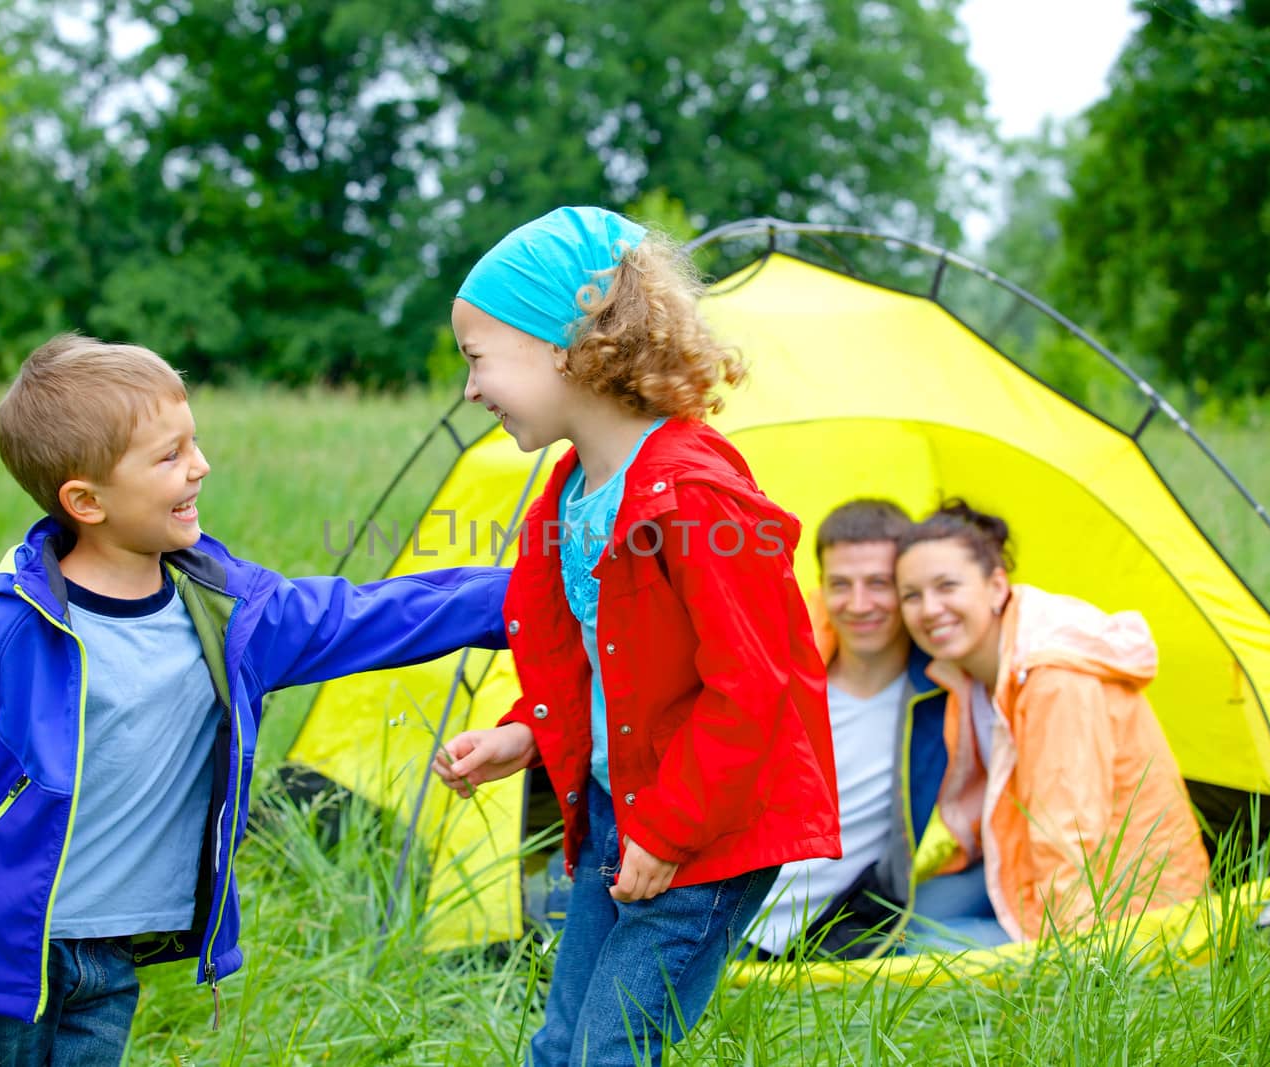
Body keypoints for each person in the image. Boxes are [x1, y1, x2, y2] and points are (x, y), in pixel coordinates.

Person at [0, 334, 511, 1066]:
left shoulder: (231, 614)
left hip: (113, 955)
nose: (199, 466)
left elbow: (371, 614)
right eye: (169, 457)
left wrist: (526, 596)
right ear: (85, 499)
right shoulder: (11, 628)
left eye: (192, 442)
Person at [429, 205, 839, 1067]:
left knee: (609, 1048)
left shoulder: (693, 494)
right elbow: (598, 655)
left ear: (566, 346)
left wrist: (669, 831)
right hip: (624, 811)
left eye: (478, 358)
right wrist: (525, 734)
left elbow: (752, 686)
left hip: (701, 830)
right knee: (561, 1040)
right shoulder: (574, 489)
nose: (470, 389)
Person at [893, 499, 1210, 946]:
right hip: (1026, 856)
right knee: (897, 923)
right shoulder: (966, 673)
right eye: (912, 595)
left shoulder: (1054, 681)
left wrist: (1072, 958)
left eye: (947, 586)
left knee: (915, 952)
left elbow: (1069, 831)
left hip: (1120, 903)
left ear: (996, 587)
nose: (929, 609)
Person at [747, 498, 949, 960]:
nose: (859, 605)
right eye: (841, 584)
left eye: (878, 584)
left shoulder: (943, 701)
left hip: (830, 941)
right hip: (723, 918)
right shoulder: (783, 678)